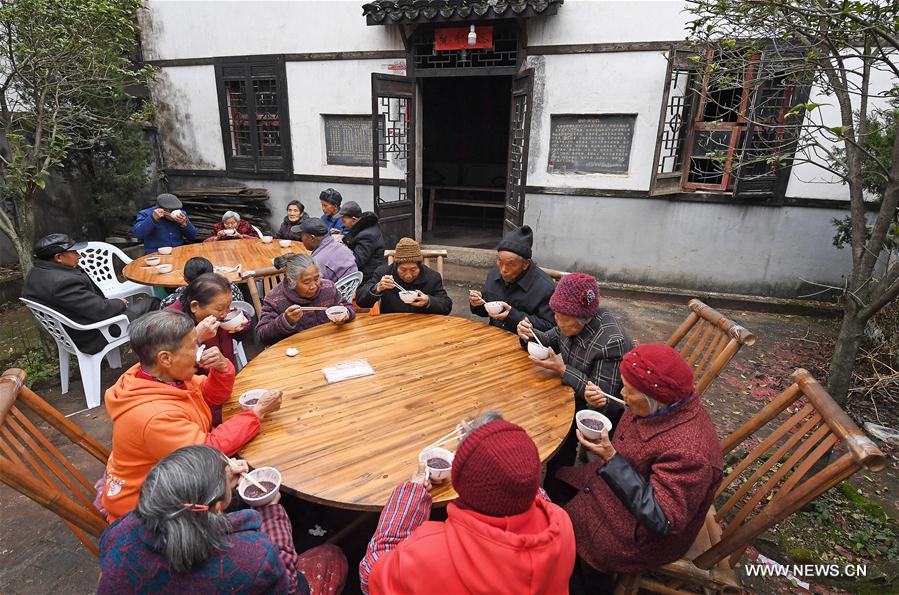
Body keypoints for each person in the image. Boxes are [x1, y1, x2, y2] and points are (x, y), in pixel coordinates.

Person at [558, 344, 723, 591]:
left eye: (629, 390)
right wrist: (606, 406)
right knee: (556, 480)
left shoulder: (690, 452)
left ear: (653, 398)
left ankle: (589, 582)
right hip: (615, 489)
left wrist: (611, 458)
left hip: (643, 534)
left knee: (574, 541)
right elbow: (639, 423)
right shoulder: (667, 404)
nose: (622, 392)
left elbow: (663, 518)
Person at [359, 413, 576, 594]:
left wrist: (410, 495)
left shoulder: (429, 553)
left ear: (462, 482)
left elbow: (371, 575)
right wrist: (491, 444)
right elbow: (526, 486)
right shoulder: (561, 525)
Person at [101, 311, 282, 522]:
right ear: (165, 358)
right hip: (151, 511)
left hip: (179, 478)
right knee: (258, 496)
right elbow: (207, 449)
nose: (200, 352)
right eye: (193, 345)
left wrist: (222, 370)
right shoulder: (153, 416)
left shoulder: (156, 376)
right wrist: (257, 412)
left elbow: (209, 396)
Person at [98, 444, 348, 594]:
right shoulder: (252, 557)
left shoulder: (119, 533)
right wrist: (273, 514)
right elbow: (293, 587)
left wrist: (224, 481)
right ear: (217, 507)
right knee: (331, 556)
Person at [517, 272, 631, 498]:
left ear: (585, 317)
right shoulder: (569, 320)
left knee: (550, 433)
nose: (556, 320)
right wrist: (528, 334)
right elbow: (547, 339)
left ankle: (557, 493)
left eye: (561, 317)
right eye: (556, 314)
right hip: (564, 392)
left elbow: (601, 400)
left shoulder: (610, 342)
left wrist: (562, 369)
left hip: (590, 413)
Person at [21, 234, 159, 354]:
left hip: (72, 330)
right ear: (59, 257)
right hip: (93, 334)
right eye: (74, 252)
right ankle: (156, 350)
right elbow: (101, 310)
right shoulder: (63, 282)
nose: (79, 255)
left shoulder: (35, 273)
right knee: (154, 302)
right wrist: (120, 302)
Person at [165, 273, 253, 424]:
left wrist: (243, 325)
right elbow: (171, 369)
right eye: (220, 309)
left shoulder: (218, 316)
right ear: (195, 306)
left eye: (229, 306)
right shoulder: (171, 325)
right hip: (200, 399)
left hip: (225, 383)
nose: (226, 313)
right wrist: (196, 338)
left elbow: (240, 321)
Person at [469, 225, 556, 335]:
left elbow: (551, 328)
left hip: (524, 345)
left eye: (511, 264)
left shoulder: (545, 288)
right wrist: (477, 303)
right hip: (494, 336)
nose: (503, 270)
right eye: (500, 261)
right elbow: (486, 311)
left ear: (526, 264)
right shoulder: (494, 274)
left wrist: (512, 316)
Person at [256, 254, 355, 346]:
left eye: (316, 279)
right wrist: (286, 320)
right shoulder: (275, 299)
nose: (314, 286)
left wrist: (346, 314)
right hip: (295, 352)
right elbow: (262, 335)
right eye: (306, 282)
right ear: (291, 281)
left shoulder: (328, 288)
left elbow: (348, 307)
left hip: (329, 345)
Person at [356, 237, 452, 315]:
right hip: (391, 325)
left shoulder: (432, 277)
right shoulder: (384, 273)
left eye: (413, 270)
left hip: (422, 326)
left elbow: (446, 306)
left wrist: (428, 301)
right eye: (403, 270)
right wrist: (377, 288)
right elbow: (361, 301)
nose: (408, 275)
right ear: (396, 265)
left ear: (420, 266)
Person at [160, 257, 244, 309]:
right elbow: (241, 309)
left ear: (185, 278)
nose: (225, 313)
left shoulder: (170, 301)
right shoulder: (229, 288)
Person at [296, 218, 358, 283]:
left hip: (335, 291)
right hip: (351, 288)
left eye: (302, 236)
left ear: (312, 238)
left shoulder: (318, 262)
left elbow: (312, 287)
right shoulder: (341, 246)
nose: (301, 239)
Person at [133, 193, 198, 254]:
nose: (173, 212)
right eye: (170, 210)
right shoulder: (145, 214)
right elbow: (138, 234)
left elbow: (193, 235)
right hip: (155, 254)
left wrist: (184, 224)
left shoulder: (181, 214)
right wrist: (153, 218)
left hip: (177, 252)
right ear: (160, 208)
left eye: (175, 209)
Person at [340, 201, 385, 282]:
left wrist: (341, 244)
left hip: (368, 278)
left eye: (344, 221)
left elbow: (357, 262)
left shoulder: (367, 236)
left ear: (353, 220)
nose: (343, 225)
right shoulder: (365, 227)